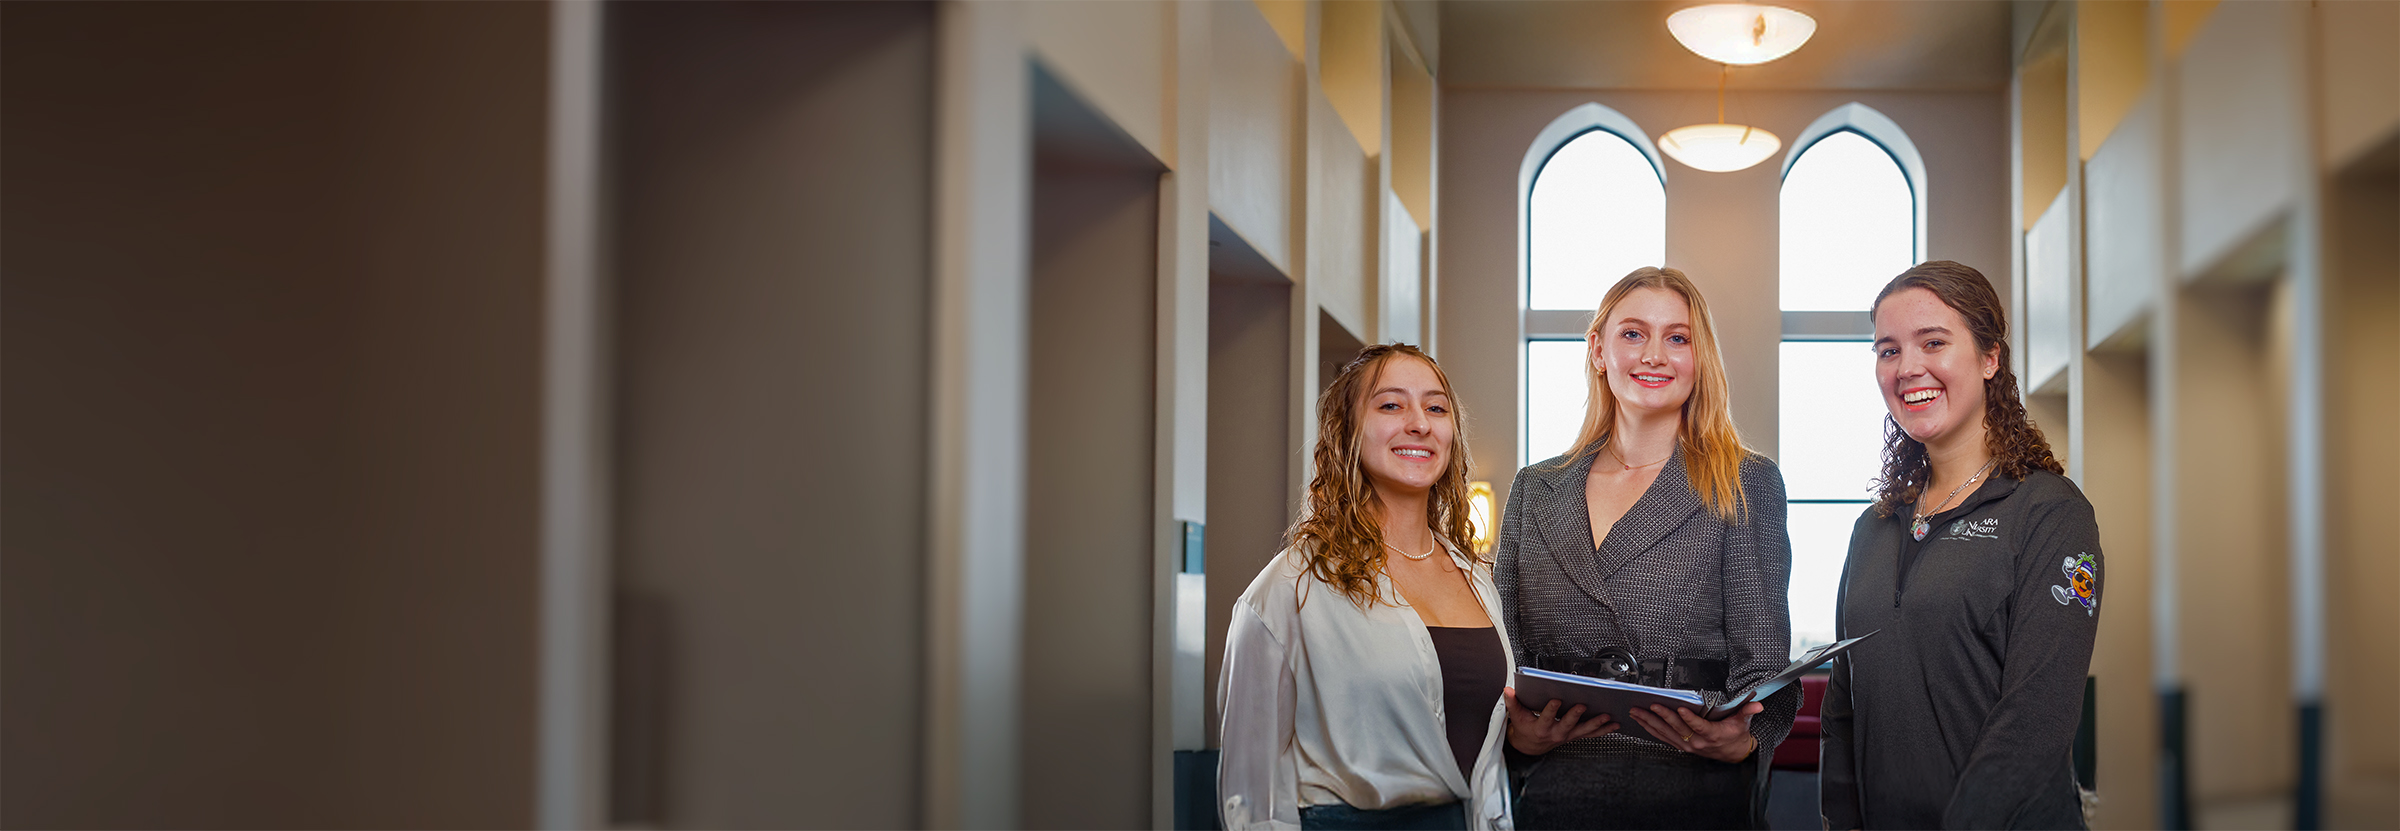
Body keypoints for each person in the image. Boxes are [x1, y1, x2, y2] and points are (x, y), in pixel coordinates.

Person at [1494, 267, 1798, 829]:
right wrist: (1515, 732)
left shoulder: (1744, 482)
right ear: (1598, 349)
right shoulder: (1535, 489)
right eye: (1633, 333)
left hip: (1694, 791)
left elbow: (1766, 667)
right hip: (1553, 791)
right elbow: (1504, 649)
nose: (1654, 354)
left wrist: (1746, 741)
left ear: (1699, 358)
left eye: (1677, 338)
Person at [1819, 261, 2101, 830]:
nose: (1908, 368)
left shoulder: (2050, 513)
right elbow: (1843, 707)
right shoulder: (1873, 528)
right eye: (1888, 350)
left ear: (1990, 358)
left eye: (1934, 342)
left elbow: (2035, 719)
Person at [1219, 344, 1515, 831]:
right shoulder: (1291, 587)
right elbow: (1249, 795)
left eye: (1436, 407)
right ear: (1348, 432)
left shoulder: (1478, 579)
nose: (1419, 423)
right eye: (1391, 405)